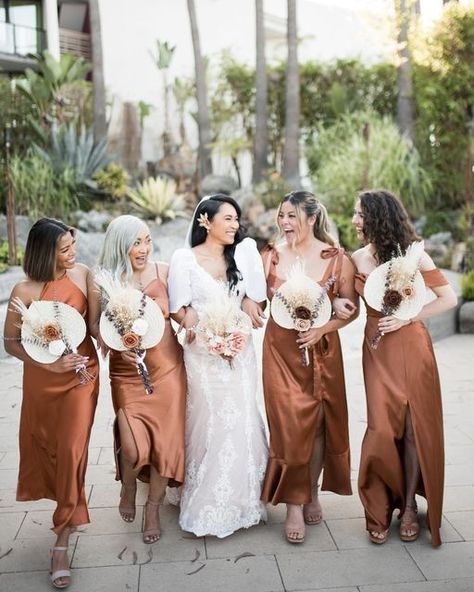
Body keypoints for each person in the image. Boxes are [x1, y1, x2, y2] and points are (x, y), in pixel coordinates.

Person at [334, 189, 457, 546]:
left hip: (412, 346)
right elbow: (348, 304)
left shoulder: (414, 257)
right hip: (377, 350)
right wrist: (337, 305)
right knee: (382, 427)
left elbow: (448, 298)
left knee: (414, 426)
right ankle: (379, 507)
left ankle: (408, 508)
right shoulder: (356, 258)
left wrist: (408, 318)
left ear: (378, 217)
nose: (355, 221)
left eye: (360, 214)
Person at [3, 218, 99, 589]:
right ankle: (66, 504)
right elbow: (10, 342)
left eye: (74, 245)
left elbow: (93, 327)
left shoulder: (83, 275)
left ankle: (61, 540)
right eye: (65, 248)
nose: (74, 253)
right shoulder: (23, 289)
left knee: (73, 450)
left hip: (81, 376)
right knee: (50, 448)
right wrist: (46, 361)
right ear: (45, 252)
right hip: (43, 380)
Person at [259, 190, 357, 544]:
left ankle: (311, 490)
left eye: (291, 216)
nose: (284, 223)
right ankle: (293, 504)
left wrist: (325, 327)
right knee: (287, 425)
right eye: (281, 216)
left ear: (311, 218)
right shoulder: (269, 257)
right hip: (280, 351)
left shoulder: (337, 258)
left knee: (316, 424)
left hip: (321, 350)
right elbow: (252, 297)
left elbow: (351, 309)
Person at [168, 194, 268, 538]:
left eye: (237, 219)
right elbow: (177, 309)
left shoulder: (240, 254)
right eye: (227, 218)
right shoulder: (184, 259)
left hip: (241, 350)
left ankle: (244, 499)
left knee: (241, 415)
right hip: (202, 354)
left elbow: (253, 296)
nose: (235, 225)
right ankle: (202, 496)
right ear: (205, 221)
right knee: (209, 419)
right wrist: (200, 327)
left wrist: (252, 307)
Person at [90, 215, 186, 544]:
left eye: (147, 240)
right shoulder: (101, 282)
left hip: (168, 367)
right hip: (126, 370)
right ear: (121, 245)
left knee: (164, 443)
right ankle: (129, 483)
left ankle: (153, 508)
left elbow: (185, 306)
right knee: (132, 446)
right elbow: (94, 326)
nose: (144, 248)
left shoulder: (163, 270)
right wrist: (114, 344)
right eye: (136, 243)